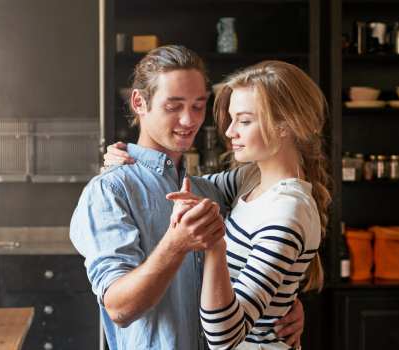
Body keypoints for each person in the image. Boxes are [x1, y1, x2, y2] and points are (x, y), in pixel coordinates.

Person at [70, 46, 304, 350]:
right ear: (139, 102)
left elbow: (279, 181)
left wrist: (284, 301)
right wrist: (176, 244)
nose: (188, 120)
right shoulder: (110, 190)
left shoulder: (210, 191)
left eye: (197, 106)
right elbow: (119, 308)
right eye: (174, 106)